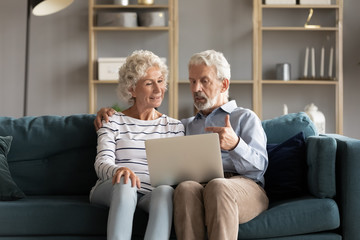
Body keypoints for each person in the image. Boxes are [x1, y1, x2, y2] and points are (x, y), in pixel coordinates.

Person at [94, 50, 269, 240]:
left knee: (217, 186)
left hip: (242, 185)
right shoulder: (186, 125)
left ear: (224, 84)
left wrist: (235, 144)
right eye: (192, 81)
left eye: (204, 81)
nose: (196, 88)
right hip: (202, 186)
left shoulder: (245, 117)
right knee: (184, 188)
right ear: (132, 89)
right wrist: (106, 112)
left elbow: (260, 167)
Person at [90, 50, 185, 240]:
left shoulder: (175, 126)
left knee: (165, 191)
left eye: (160, 81)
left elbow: (176, 172)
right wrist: (119, 171)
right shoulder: (112, 120)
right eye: (149, 83)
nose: (158, 90)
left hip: (151, 192)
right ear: (131, 89)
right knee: (126, 183)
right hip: (113, 187)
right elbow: (101, 164)